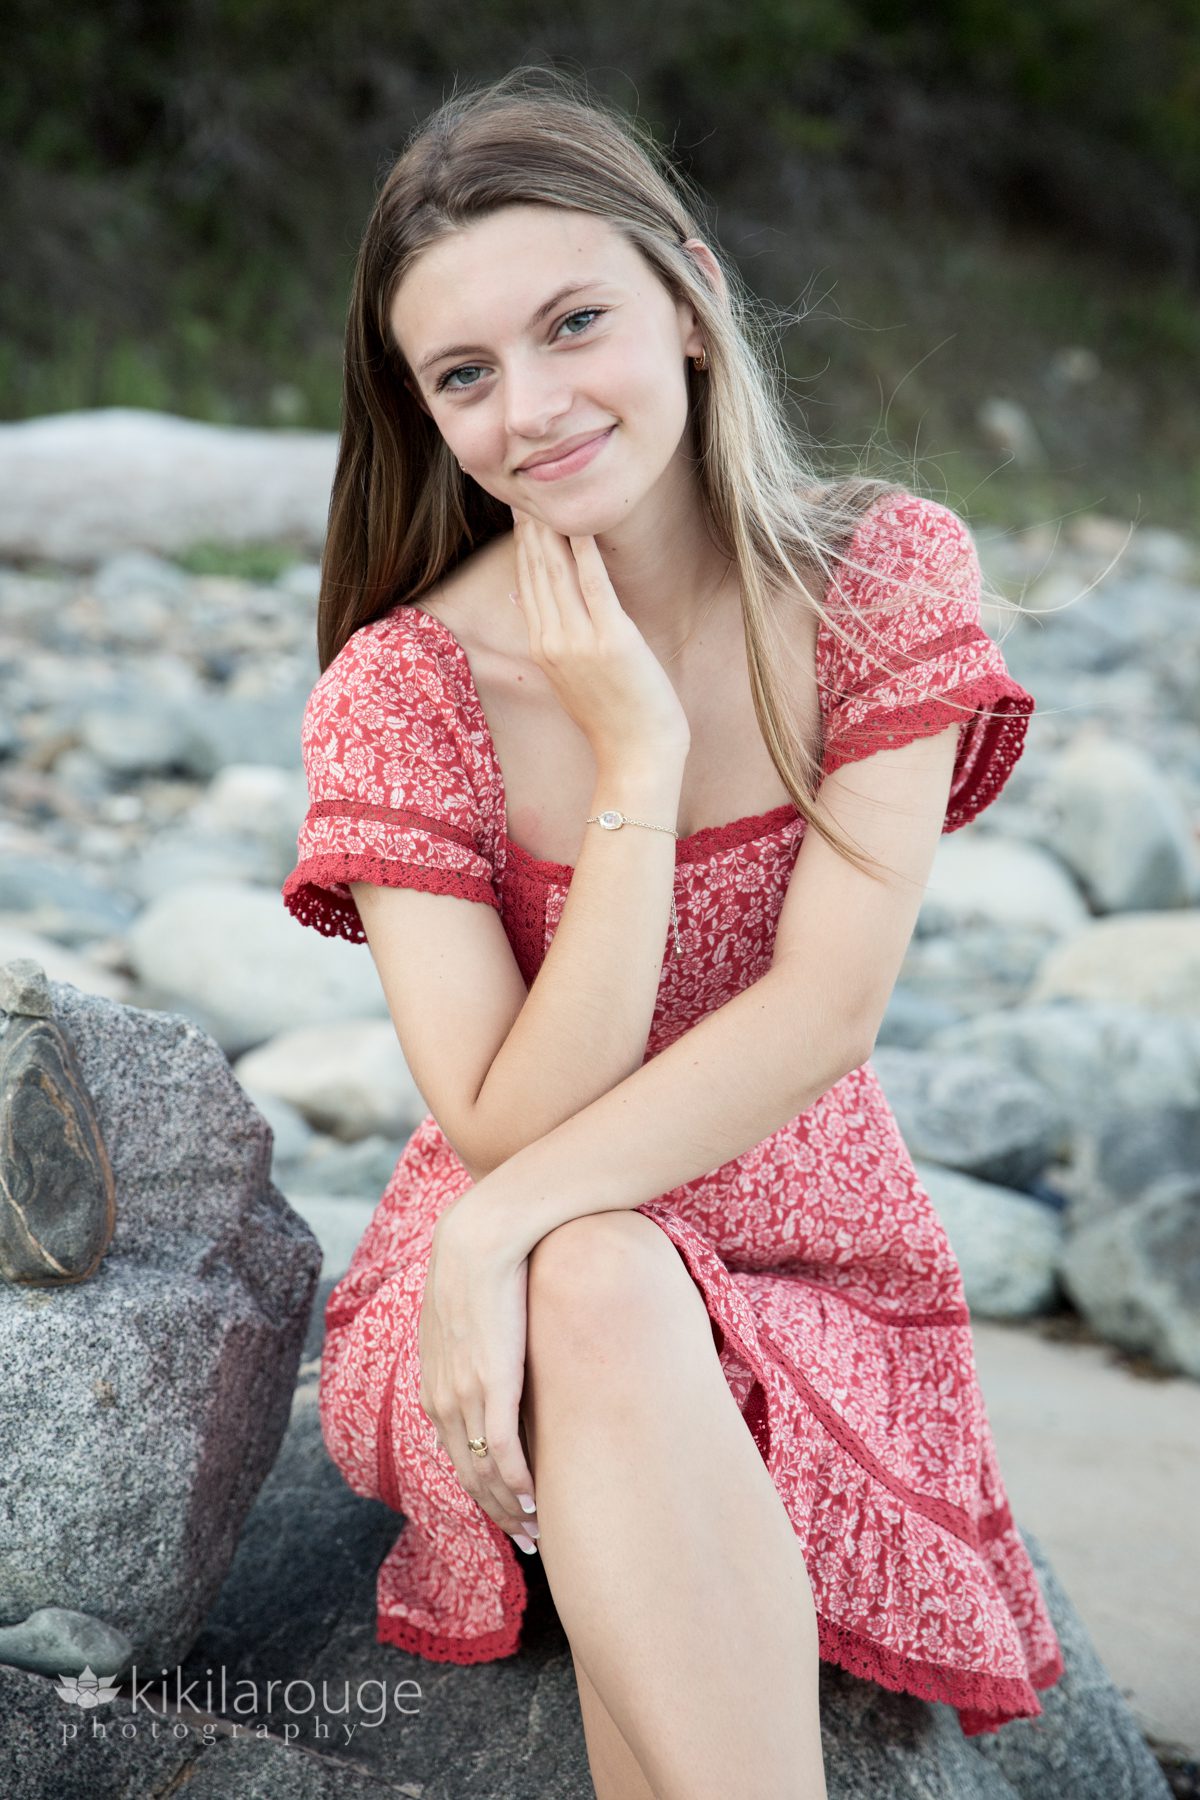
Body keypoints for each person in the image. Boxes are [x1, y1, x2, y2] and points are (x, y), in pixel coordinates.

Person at [281, 65, 1064, 1800]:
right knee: (600, 1273)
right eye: (466, 375)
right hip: (520, 1286)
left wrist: (511, 1232)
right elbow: (500, 1123)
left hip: (812, 1261)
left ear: (693, 302)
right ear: (425, 415)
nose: (535, 407)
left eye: (576, 324)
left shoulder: (879, 574)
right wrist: (634, 760)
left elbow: (825, 1015)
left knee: (578, 1261)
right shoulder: (407, 686)